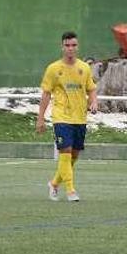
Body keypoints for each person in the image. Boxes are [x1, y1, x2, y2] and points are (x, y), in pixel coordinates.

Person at [37, 31, 98, 202]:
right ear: (62, 47)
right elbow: (46, 94)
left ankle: (54, 183)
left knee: (74, 155)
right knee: (65, 151)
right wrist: (40, 118)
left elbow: (91, 89)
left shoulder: (84, 68)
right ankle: (71, 190)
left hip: (80, 117)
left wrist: (94, 102)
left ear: (77, 47)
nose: (70, 48)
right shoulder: (53, 69)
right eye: (67, 45)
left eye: (73, 45)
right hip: (61, 116)